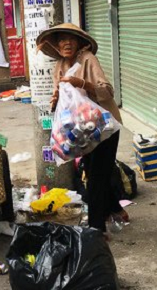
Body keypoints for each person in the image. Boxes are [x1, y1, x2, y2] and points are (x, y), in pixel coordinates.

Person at [37, 23, 127, 237]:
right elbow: (60, 94)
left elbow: (108, 91)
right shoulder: (59, 65)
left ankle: (96, 229)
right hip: (80, 131)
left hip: (104, 127)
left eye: (70, 39)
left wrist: (82, 83)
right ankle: (115, 209)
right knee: (93, 171)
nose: (66, 43)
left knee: (97, 176)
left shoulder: (88, 59)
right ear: (56, 45)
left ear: (79, 42)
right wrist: (55, 99)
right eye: (61, 40)